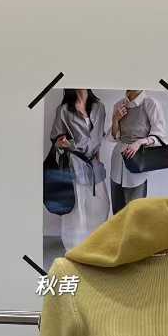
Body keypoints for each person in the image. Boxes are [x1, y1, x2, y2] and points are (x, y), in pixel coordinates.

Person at [50, 89, 110, 251]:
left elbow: (99, 137)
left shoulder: (99, 107)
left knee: (101, 205)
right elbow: (55, 139)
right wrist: (60, 143)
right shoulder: (63, 110)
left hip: (94, 164)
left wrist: (98, 161)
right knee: (77, 209)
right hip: (74, 163)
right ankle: (75, 247)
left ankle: (96, 244)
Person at [109, 90, 168, 213]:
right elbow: (115, 137)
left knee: (135, 214)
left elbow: (160, 135)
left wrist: (139, 142)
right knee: (117, 214)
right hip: (117, 164)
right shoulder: (118, 105)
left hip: (137, 164)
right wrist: (115, 119)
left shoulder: (150, 103)